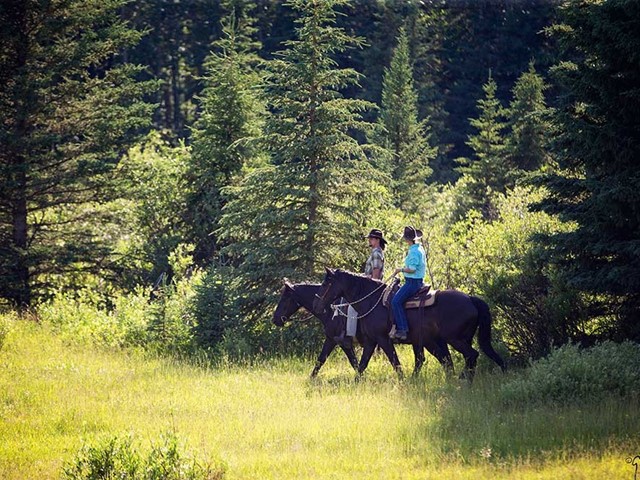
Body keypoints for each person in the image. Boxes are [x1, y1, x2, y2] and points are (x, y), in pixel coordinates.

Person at [333, 229, 387, 347]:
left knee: (353, 307)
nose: (369, 240)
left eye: (371, 238)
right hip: (367, 286)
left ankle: (350, 336)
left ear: (377, 240)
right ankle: (345, 332)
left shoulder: (376, 254)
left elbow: (376, 275)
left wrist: (363, 281)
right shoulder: (375, 253)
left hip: (370, 289)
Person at [391, 226, 426, 341]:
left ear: (408, 239)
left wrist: (400, 270)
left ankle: (402, 329)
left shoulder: (414, 251)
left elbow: (412, 269)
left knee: (396, 302)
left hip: (412, 282)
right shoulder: (419, 248)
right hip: (417, 281)